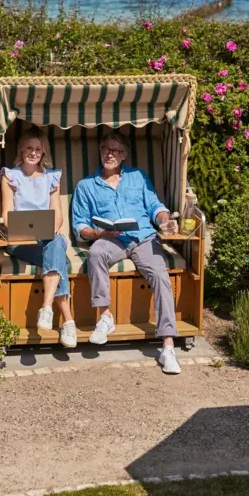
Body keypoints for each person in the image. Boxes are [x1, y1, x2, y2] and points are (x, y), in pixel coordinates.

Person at [72, 131, 181, 374]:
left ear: (124, 156)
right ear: (100, 151)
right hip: (110, 239)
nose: (110, 154)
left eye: (116, 151)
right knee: (96, 253)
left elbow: (155, 206)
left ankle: (167, 345)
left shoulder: (138, 177)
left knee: (161, 275)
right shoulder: (86, 185)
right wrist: (99, 234)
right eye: (106, 149)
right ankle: (106, 317)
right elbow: (79, 225)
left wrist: (164, 221)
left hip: (143, 237)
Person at [1, 126, 77, 348]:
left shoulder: (52, 178)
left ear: (44, 152)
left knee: (55, 242)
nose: (33, 153)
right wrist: (29, 226)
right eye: (29, 148)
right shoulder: (10, 176)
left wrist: (50, 227)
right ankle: (68, 322)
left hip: (47, 237)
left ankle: (47, 308)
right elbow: (6, 215)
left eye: (38, 149)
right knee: (58, 256)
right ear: (21, 150)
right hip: (20, 241)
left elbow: (58, 216)